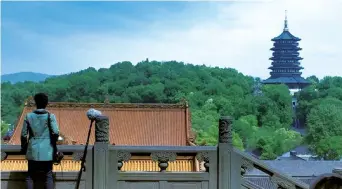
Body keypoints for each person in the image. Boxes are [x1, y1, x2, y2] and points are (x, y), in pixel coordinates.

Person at [21, 93, 60, 189]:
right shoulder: (50, 116)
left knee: (30, 175)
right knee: (48, 175)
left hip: (32, 150)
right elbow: (55, 132)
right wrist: (52, 142)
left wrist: (24, 146)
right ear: (46, 103)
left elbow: (23, 135)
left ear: (36, 103)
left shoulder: (28, 116)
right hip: (47, 151)